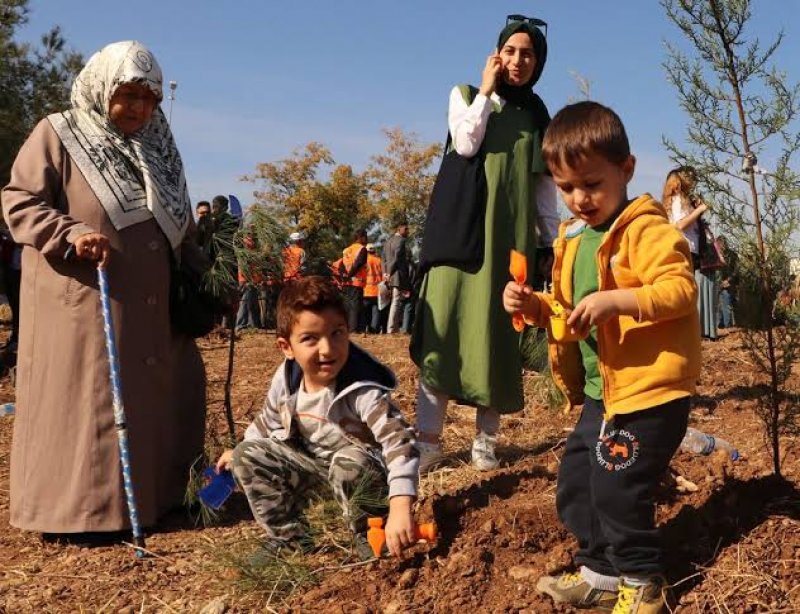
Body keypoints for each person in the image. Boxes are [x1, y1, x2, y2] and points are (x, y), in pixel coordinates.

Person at [2, 41, 207, 539]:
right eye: (128, 94)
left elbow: (180, 227)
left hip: (154, 312)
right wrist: (69, 233)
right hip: (86, 304)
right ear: (102, 87)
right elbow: (19, 200)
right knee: (91, 403)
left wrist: (209, 274)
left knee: (158, 397)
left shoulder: (159, 148)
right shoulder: (60, 133)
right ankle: (85, 513)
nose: (139, 108)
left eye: (149, 98)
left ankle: (159, 498)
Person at [503, 101, 700, 613]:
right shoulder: (573, 239)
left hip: (649, 393)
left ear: (626, 169)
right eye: (565, 187)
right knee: (578, 484)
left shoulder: (646, 230)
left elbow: (680, 290)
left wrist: (619, 301)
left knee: (618, 485)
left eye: (591, 183)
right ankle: (602, 573)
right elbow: (568, 312)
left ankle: (643, 581)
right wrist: (533, 305)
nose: (578, 199)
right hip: (603, 394)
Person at [410, 15, 560, 472]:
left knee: (498, 336)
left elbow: (544, 189)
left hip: (510, 242)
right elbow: (465, 143)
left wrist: (551, 244)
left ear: (538, 62)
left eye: (528, 54)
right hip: (460, 235)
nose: (518, 60)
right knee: (444, 329)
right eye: (510, 51)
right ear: (496, 54)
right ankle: (428, 443)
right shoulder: (466, 95)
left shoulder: (537, 117)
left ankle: (484, 444)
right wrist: (487, 91)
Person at [214, 276, 419, 558]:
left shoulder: (361, 388)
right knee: (246, 454)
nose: (327, 349)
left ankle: (370, 530)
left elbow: (400, 440)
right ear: (286, 347)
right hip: (312, 468)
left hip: (360, 475)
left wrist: (400, 506)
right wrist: (238, 449)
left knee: (349, 464)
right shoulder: (287, 379)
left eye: (337, 333)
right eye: (310, 339)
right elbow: (268, 420)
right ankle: (290, 538)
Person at [664, 166, 718, 339]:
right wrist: (699, 210)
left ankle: (684, 331)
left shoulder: (682, 200)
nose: (694, 183)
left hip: (690, 249)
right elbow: (680, 225)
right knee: (685, 291)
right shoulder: (678, 200)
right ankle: (681, 332)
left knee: (687, 291)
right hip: (685, 248)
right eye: (691, 179)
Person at [382, 220, 411, 333]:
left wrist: (385, 273)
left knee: (394, 301)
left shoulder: (387, 241)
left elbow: (383, 259)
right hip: (397, 275)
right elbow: (396, 257)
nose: (407, 231)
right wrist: (389, 272)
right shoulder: (401, 241)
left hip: (389, 275)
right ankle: (391, 329)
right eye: (406, 229)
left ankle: (393, 328)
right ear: (399, 229)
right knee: (396, 301)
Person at [342, 229, 368, 332]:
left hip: (346, 281)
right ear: (361, 237)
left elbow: (341, 264)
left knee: (348, 305)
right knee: (355, 305)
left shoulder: (346, 250)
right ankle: (353, 328)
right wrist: (350, 275)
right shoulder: (362, 249)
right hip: (356, 280)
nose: (367, 239)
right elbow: (359, 263)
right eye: (365, 237)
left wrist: (345, 276)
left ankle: (349, 327)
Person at [362, 243, 384, 333]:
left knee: (365, 311)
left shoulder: (364, 261)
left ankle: (366, 327)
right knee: (376, 311)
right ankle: (374, 330)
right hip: (377, 290)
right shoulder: (379, 260)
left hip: (366, 289)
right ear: (374, 251)